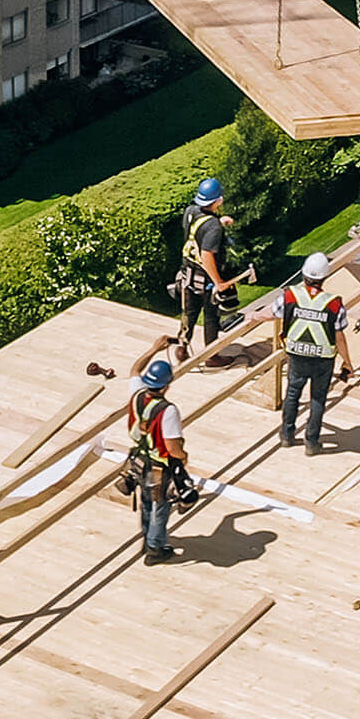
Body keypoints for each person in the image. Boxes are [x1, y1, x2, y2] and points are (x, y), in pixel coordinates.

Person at [273, 251, 354, 455]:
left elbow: (274, 313)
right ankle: (311, 442)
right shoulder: (334, 303)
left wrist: (253, 316)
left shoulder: (290, 295)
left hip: (297, 355)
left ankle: (286, 435)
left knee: (292, 394)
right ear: (325, 277)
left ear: (303, 275)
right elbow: (339, 336)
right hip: (323, 360)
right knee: (318, 399)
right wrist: (347, 362)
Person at [127, 335, 190, 564]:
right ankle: (155, 548)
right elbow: (173, 447)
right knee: (160, 506)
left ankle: (147, 537)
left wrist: (154, 349)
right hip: (159, 465)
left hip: (137, 460)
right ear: (166, 385)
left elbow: (135, 369)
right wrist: (183, 458)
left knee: (145, 501)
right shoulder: (168, 411)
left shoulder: (137, 394)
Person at [174, 177, 246, 361]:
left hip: (187, 273)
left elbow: (196, 233)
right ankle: (212, 357)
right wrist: (219, 283)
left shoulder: (190, 211)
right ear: (218, 200)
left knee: (188, 313)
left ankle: (181, 349)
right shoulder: (213, 226)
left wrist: (218, 222)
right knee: (211, 317)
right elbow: (207, 256)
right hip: (204, 279)